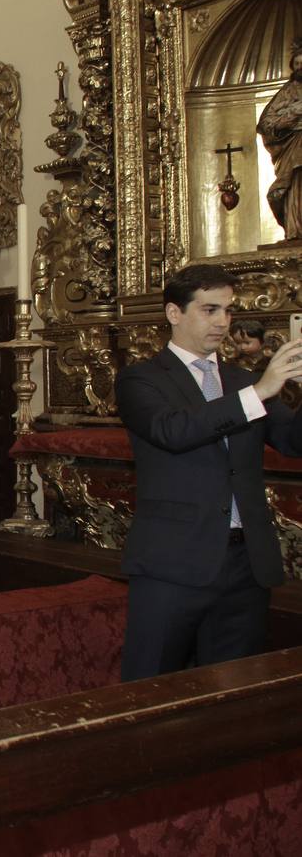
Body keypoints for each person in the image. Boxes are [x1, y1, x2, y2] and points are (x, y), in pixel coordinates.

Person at [116, 264, 302, 681]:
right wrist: (258, 392)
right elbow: (174, 431)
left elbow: (293, 443)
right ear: (173, 313)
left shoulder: (244, 380)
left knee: (233, 695)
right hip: (173, 563)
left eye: (228, 311)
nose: (223, 322)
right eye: (209, 310)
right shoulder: (140, 379)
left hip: (246, 563)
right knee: (151, 688)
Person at [258, 49, 302, 239]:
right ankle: (296, 227)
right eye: (297, 64)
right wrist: (292, 115)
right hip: (294, 145)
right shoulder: (287, 92)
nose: (301, 67)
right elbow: (268, 122)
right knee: (295, 182)